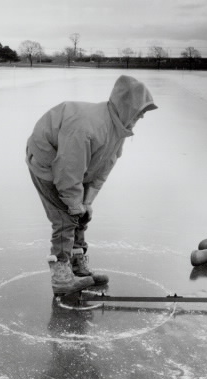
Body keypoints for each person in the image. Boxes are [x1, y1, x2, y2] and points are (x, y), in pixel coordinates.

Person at [27, 75, 157, 295]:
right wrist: (74, 205)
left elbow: (104, 167)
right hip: (48, 162)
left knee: (81, 215)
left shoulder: (119, 129)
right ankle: (61, 278)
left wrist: (86, 202)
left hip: (77, 167)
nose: (143, 115)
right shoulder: (87, 127)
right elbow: (68, 171)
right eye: (140, 110)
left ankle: (77, 267)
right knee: (65, 218)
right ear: (126, 106)